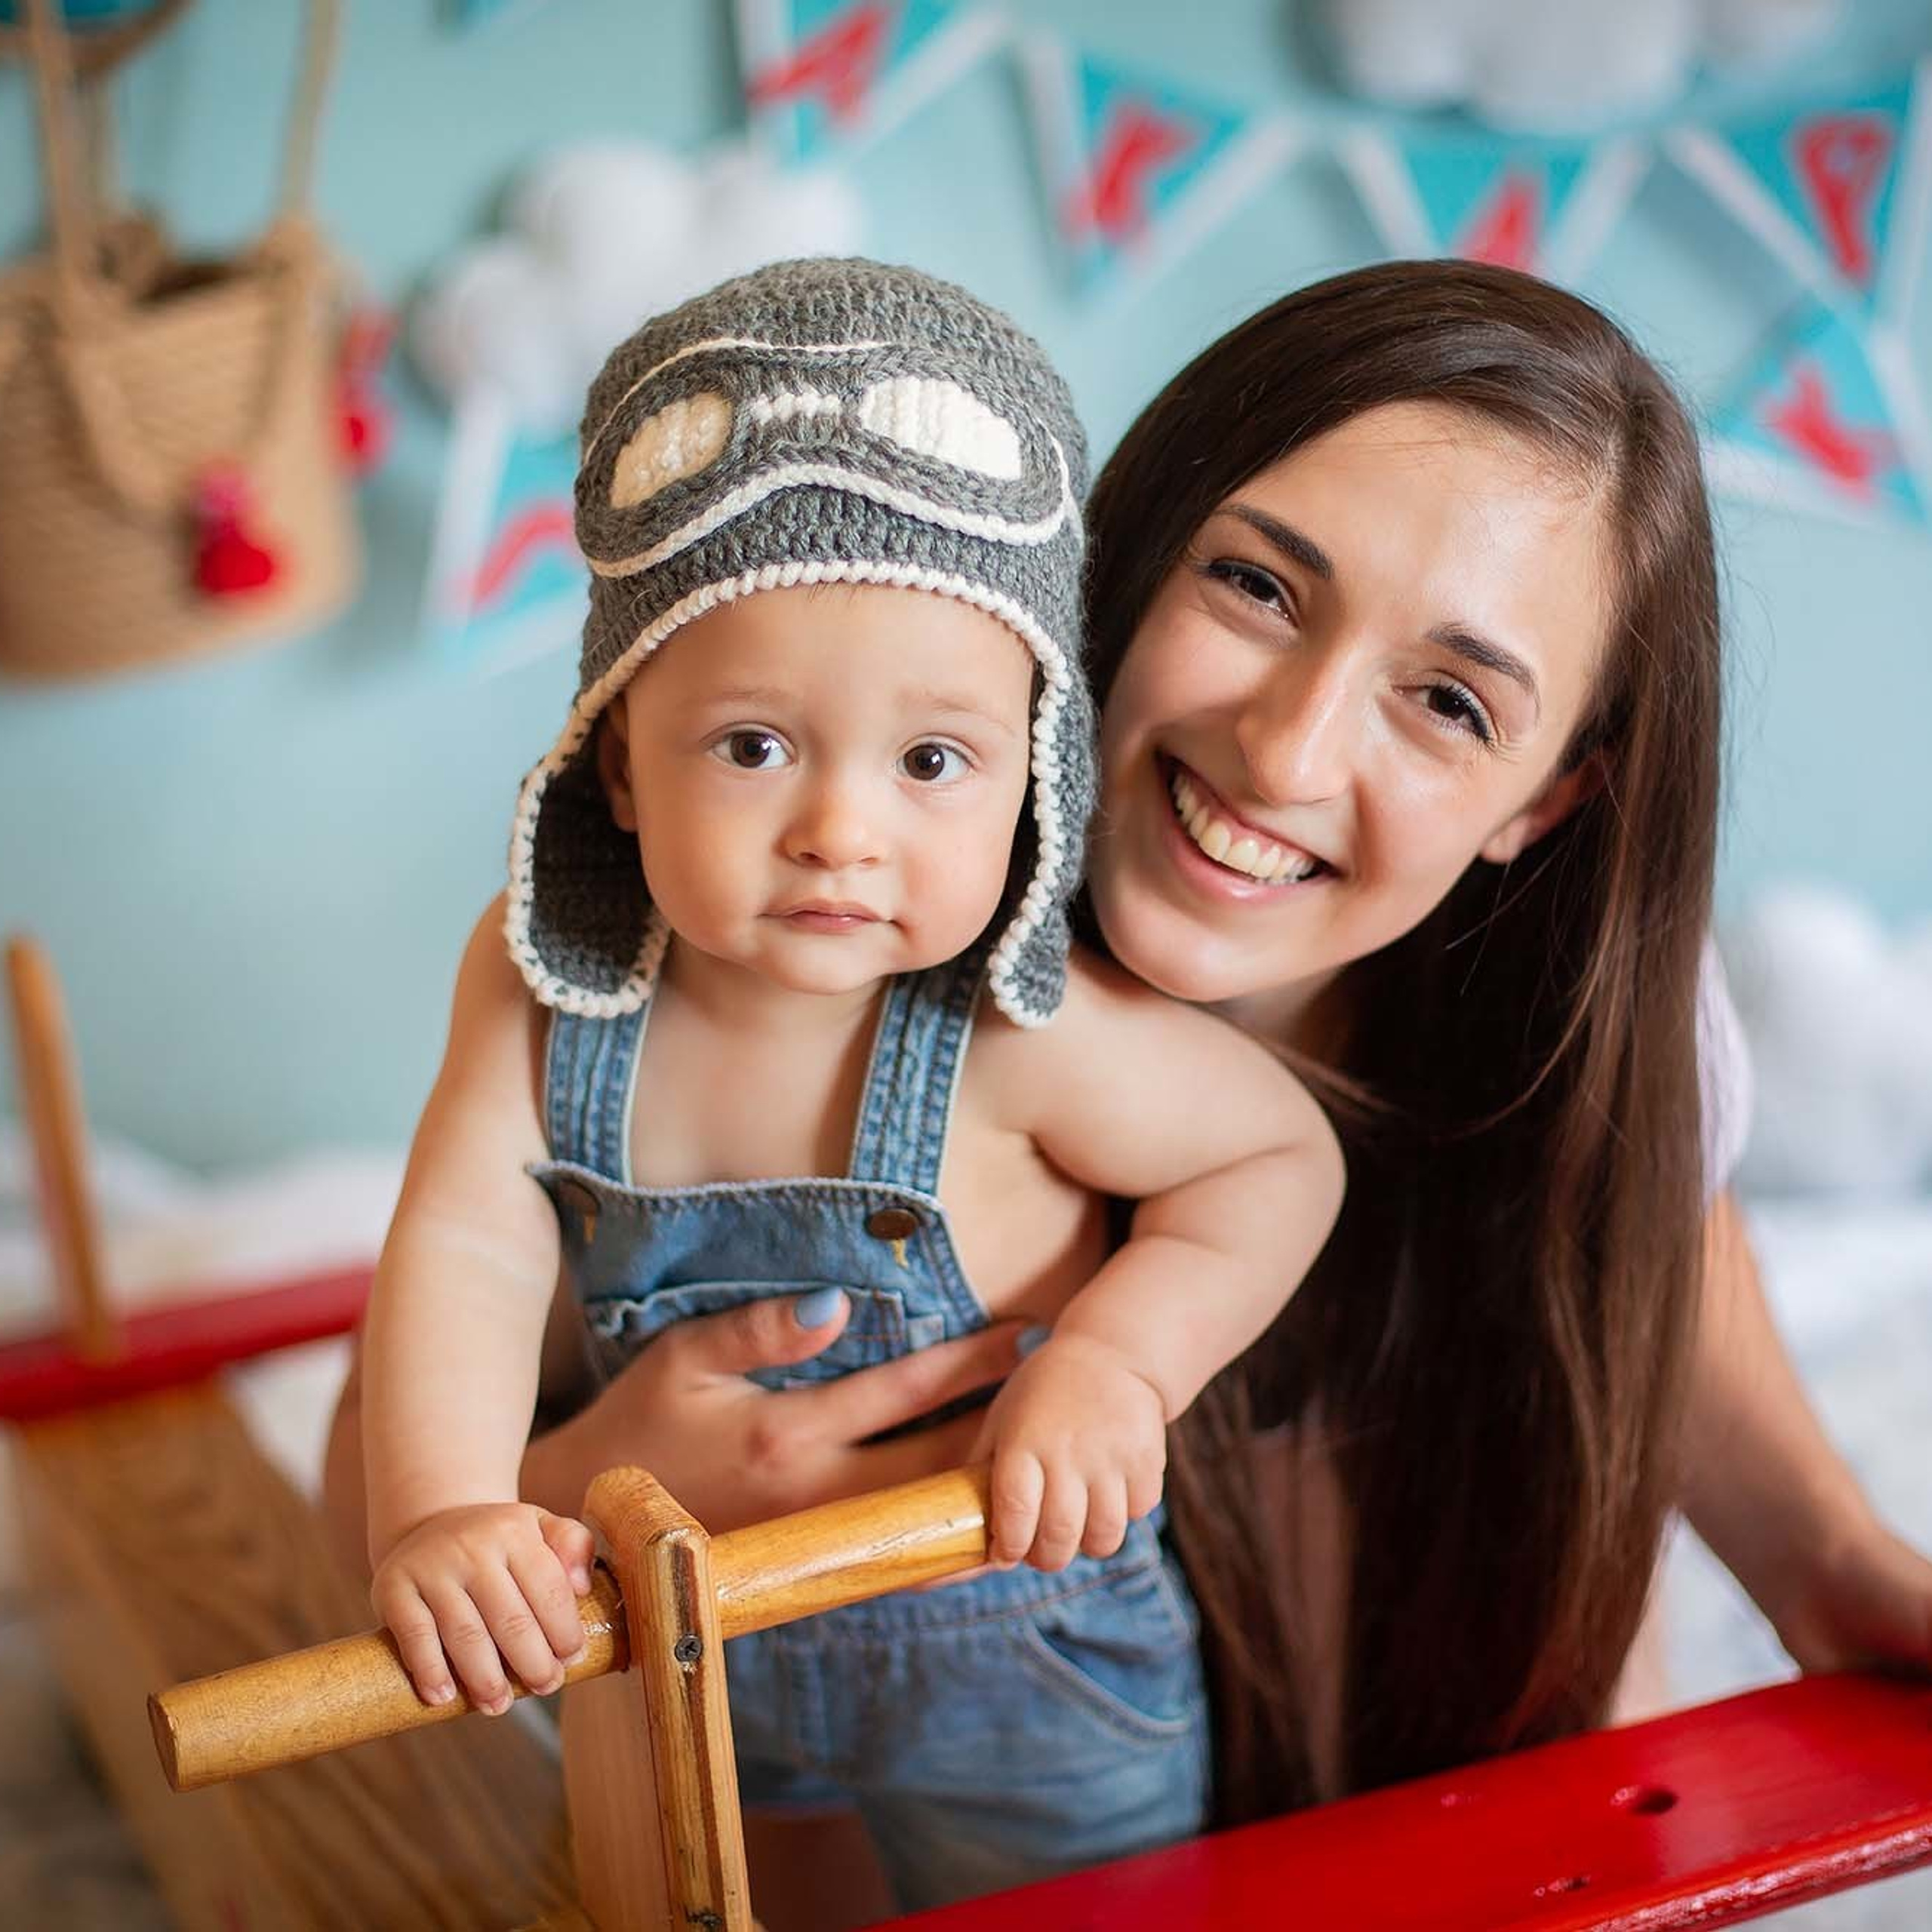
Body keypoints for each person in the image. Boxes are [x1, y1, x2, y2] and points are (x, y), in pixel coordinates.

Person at [324, 257, 1932, 1925]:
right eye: (1252, 584)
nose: (1290, 749)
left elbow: (1671, 1332)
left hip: (1370, 1770)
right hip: (836, 1733)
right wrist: (603, 1484)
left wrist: (1830, 1559)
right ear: (1104, 566)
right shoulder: (818, 957)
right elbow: (401, 1411)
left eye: (1448, 701)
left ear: (1545, 796)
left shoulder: (1568, 1039)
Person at [354, 257, 1343, 1914]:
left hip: (1015, 1660)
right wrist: (442, 1508)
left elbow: (1272, 1160)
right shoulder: (544, 983)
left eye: (931, 761)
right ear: (615, 750)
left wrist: (1114, 1361)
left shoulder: (1019, 1030)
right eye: (750, 744)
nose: (838, 828)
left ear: (1026, 772)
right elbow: (462, 1246)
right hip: (703, 1648)